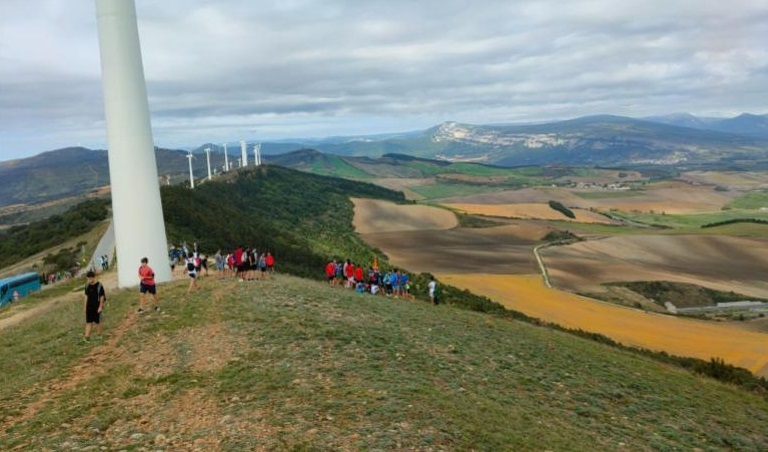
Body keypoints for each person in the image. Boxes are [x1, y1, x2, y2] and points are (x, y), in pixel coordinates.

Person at [83, 270, 106, 342]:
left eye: (89, 279)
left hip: (97, 306)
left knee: (98, 322)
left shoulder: (99, 286)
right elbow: (86, 296)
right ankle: (87, 337)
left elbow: (102, 297)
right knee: (88, 322)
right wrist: (85, 307)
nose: (88, 280)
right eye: (87, 279)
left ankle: (99, 335)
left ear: (93, 278)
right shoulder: (87, 286)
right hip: (89, 307)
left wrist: (100, 306)